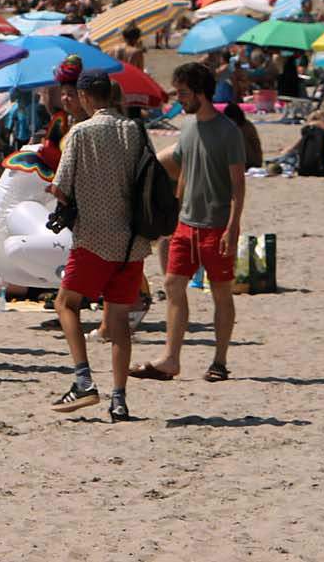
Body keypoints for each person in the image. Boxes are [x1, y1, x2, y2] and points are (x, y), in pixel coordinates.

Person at [49, 72, 153, 421]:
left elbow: (61, 186)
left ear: (84, 97)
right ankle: (119, 399)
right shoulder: (135, 130)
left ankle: (83, 380)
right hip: (132, 241)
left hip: (93, 237)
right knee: (119, 319)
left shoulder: (81, 132)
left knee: (65, 304)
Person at [135, 63, 247, 384]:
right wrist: (174, 212)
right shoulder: (187, 128)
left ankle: (220, 362)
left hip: (217, 225)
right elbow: (184, 171)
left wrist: (233, 226)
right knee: (173, 285)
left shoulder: (228, 132)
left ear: (200, 93)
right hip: (186, 224)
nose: (179, 99)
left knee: (221, 292)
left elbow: (238, 184)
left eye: (183, 93)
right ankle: (170, 359)